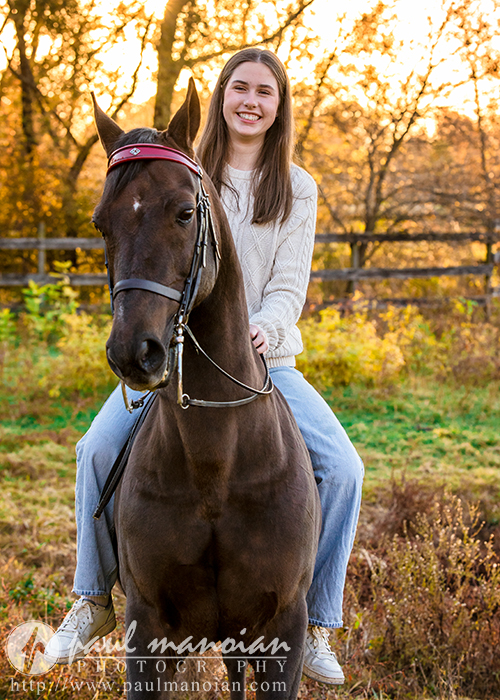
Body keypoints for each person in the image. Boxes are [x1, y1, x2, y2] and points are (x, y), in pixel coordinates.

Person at [44, 48, 364, 686]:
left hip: (261, 359)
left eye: (264, 93)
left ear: (279, 107)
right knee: (95, 452)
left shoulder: (296, 187)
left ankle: (320, 617)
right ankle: (91, 599)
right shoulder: (183, 172)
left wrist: (263, 330)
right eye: (238, 88)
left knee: (344, 468)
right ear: (220, 98)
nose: (250, 101)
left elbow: (288, 287)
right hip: (177, 351)